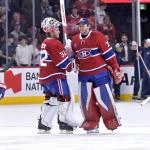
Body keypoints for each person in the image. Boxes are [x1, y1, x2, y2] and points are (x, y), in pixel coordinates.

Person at [71, 18, 123, 133]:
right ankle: (91, 122)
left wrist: (115, 67)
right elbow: (77, 58)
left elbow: (108, 54)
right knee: (86, 101)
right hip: (84, 75)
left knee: (104, 98)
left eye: (84, 25)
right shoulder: (74, 40)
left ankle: (111, 120)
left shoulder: (98, 36)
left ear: (89, 26)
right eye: (80, 25)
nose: (81, 27)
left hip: (100, 73)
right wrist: (74, 62)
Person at [38, 17, 74, 134]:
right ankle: (64, 123)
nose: (59, 30)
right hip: (55, 76)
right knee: (64, 97)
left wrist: (65, 51)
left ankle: (44, 124)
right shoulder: (54, 43)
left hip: (45, 78)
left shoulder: (45, 42)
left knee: (51, 99)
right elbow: (64, 65)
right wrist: (70, 56)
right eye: (57, 28)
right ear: (51, 29)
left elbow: (56, 57)